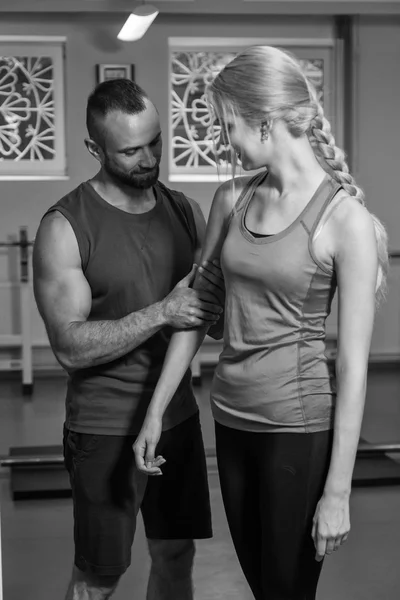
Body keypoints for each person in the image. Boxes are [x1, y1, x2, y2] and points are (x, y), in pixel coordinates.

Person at [133, 46, 389, 600]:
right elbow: (197, 310)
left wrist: (338, 492)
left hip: (296, 429)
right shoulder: (231, 198)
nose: (227, 140)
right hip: (230, 418)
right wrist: (155, 410)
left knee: (286, 590)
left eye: (229, 125)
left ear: (264, 121)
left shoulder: (346, 221)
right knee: (262, 584)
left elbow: (352, 368)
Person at [32, 78, 225, 600]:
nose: (149, 159)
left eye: (156, 142)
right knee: (99, 576)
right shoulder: (65, 227)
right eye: (131, 150)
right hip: (105, 425)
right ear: (96, 149)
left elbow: (213, 316)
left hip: (177, 418)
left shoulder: (185, 210)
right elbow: (69, 347)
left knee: (176, 554)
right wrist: (161, 312)